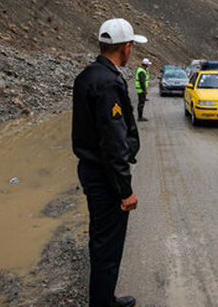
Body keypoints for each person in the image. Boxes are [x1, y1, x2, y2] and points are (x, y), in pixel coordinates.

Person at [72, 18, 147, 307]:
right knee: (107, 246)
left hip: (93, 172)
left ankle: (103, 298)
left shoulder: (88, 76)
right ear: (126, 47)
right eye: (132, 47)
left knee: (100, 242)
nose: (132, 52)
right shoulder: (107, 83)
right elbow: (113, 143)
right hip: (105, 177)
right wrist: (125, 190)